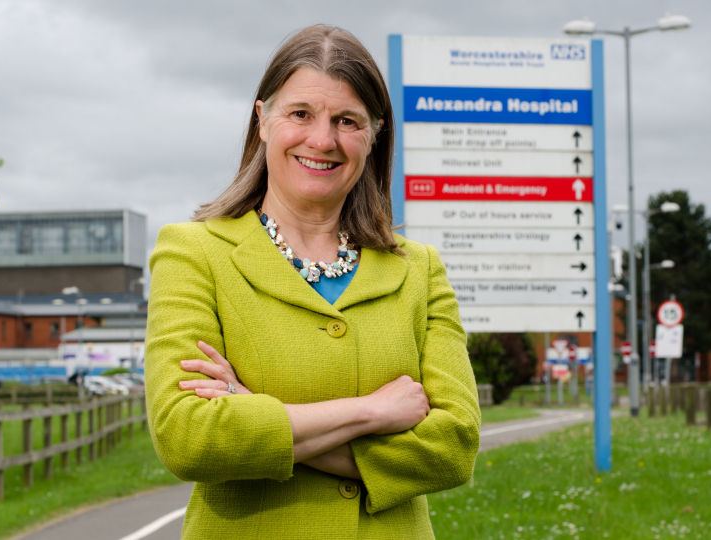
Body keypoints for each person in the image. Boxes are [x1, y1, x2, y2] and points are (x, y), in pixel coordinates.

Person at [145, 24, 480, 539]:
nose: (322, 140)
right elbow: (188, 438)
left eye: (347, 121)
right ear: (263, 120)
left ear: (374, 135)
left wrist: (257, 415)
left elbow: (453, 447)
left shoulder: (420, 269)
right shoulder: (193, 253)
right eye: (301, 114)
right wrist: (372, 412)